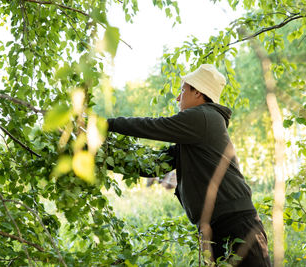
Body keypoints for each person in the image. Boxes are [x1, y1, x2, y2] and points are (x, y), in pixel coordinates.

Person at [107, 64, 271, 266]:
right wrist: (102, 156)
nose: (178, 97)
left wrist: (107, 124)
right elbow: (153, 166)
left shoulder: (203, 116)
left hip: (236, 225)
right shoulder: (194, 133)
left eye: (182, 90)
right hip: (217, 227)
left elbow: (153, 126)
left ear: (198, 92)